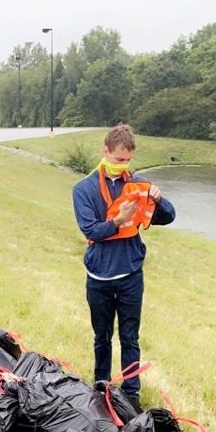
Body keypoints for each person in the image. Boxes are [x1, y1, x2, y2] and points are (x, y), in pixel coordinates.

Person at [72, 123, 176, 409]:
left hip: (131, 274)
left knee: (130, 337)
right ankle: (101, 385)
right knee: (101, 335)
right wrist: (118, 220)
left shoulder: (137, 184)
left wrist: (158, 199)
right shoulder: (84, 189)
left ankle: (131, 394)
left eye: (128, 160)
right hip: (99, 277)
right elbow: (92, 231)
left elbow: (168, 217)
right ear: (105, 152)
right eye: (119, 159)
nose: (124, 165)